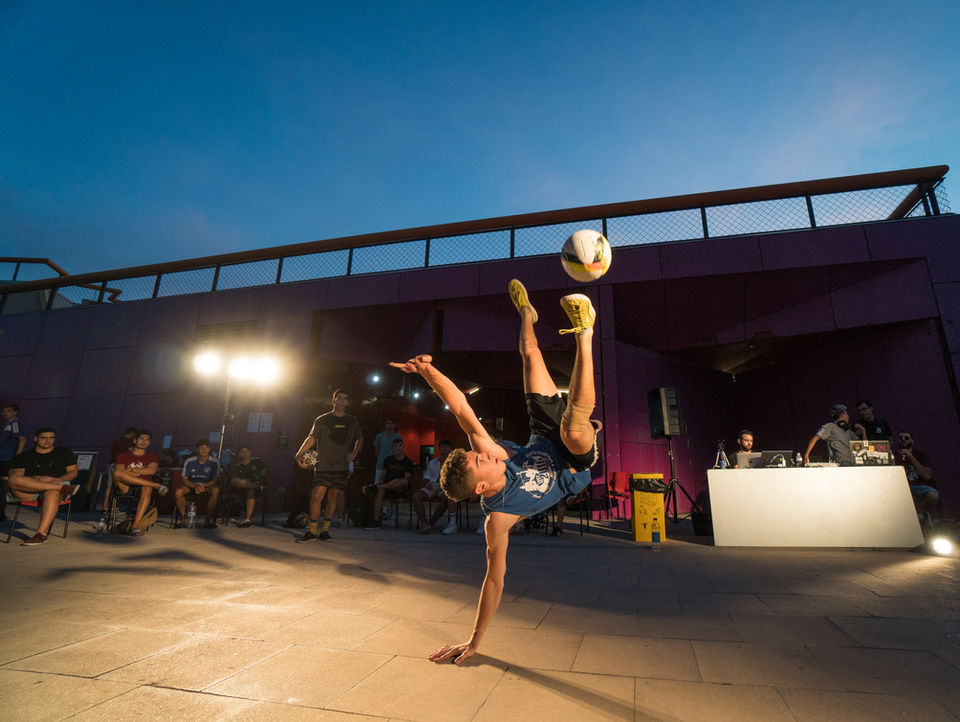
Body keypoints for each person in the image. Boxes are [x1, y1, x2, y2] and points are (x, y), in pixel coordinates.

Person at [391, 279, 601, 664]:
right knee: (574, 428)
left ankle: (527, 312)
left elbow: (460, 407)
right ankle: (585, 331)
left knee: (529, 354)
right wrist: (474, 641)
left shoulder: (489, 454)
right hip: (574, 460)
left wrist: (426, 371)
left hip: (544, 434)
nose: (485, 454)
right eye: (479, 462)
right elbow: (493, 580)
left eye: (476, 455)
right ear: (482, 487)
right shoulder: (498, 519)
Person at [295, 388, 363, 542]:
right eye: (339, 398)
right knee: (317, 496)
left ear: (347, 402)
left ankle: (324, 531)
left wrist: (354, 453)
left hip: (341, 466)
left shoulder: (352, 421)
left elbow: (360, 437)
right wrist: (299, 454)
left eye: (344, 398)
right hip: (323, 465)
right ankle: (312, 531)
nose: (341, 401)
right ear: (333, 400)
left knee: (333, 498)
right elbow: (311, 437)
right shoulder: (322, 419)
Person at [7, 427, 78, 546]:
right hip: (30, 490)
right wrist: (37, 478)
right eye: (44, 438)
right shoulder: (24, 456)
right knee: (13, 479)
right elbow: (15, 476)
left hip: (55, 486)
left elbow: (73, 472)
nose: (48, 441)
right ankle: (61, 488)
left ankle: (40, 534)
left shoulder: (64, 452)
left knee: (51, 492)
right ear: (35, 439)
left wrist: (59, 479)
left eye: (51, 438)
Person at [113, 430, 168, 536]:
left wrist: (131, 470)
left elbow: (151, 471)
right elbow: (119, 472)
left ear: (149, 443)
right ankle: (157, 486)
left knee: (147, 488)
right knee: (117, 473)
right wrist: (141, 471)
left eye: (147, 440)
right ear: (135, 440)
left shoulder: (152, 456)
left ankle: (135, 526)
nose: (144, 441)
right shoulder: (123, 455)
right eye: (141, 439)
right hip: (126, 485)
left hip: (143, 485)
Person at [365, 437, 415, 530]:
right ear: (392, 448)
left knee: (399, 481)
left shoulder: (408, 461)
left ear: (403, 447)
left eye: (400, 445)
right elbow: (383, 475)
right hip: (387, 486)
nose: (398, 448)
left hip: (401, 487)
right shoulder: (388, 459)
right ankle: (376, 521)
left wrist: (393, 482)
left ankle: (375, 487)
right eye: (395, 446)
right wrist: (381, 480)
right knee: (380, 491)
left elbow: (407, 478)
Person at [413, 439, 458, 534]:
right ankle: (424, 523)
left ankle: (430, 523)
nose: (444, 449)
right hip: (433, 486)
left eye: (446, 447)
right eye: (442, 447)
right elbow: (426, 477)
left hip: (445, 488)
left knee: (448, 498)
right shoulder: (432, 462)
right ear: (439, 449)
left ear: (450, 449)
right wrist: (426, 483)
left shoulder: (454, 464)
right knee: (416, 496)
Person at [174, 440, 222, 529]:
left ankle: (208, 520)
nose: (204, 450)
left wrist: (203, 486)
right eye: (201, 448)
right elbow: (184, 479)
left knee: (216, 490)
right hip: (191, 485)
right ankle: (184, 518)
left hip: (207, 486)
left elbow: (215, 480)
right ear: (197, 450)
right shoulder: (189, 461)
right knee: (178, 491)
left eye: (206, 448)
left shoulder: (215, 462)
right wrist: (196, 486)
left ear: (209, 449)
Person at [894, 430, 938, 514]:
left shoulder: (921, 455)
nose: (903, 440)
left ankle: (920, 513)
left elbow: (927, 476)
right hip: (901, 487)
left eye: (906, 438)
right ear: (897, 440)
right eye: (900, 438)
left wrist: (911, 456)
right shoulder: (893, 455)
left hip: (919, 486)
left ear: (912, 441)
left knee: (933, 496)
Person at [230, 443, 268, 527]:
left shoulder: (257, 461)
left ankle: (247, 519)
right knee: (234, 480)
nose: (244, 453)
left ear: (250, 452)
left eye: (246, 451)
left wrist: (263, 472)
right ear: (239, 454)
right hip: (242, 487)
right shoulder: (238, 466)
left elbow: (265, 468)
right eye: (242, 451)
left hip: (254, 488)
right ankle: (256, 485)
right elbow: (235, 480)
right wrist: (245, 482)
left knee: (251, 490)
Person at [0, 402, 27, 521]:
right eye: (4, 411)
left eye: (9, 411)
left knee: (3, 486)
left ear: (15, 412)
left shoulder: (16, 423)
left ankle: (0, 513)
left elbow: (22, 439)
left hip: (7, 459)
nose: (6, 413)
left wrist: (17, 457)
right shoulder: (7, 424)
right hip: (2, 457)